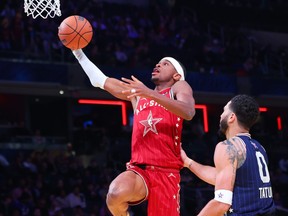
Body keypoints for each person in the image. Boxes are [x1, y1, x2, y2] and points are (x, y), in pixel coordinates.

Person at [71, 48, 196, 216]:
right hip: (140, 169)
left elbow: (188, 111)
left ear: (176, 76)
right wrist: (77, 51)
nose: (158, 64)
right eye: (158, 62)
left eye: (165, 64)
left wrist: (150, 93)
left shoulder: (179, 87)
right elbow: (99, 80)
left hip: (166, 173)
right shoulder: (138, 94)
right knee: (115, 194)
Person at [181, 94, 276, 216]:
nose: (221, 115)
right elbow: (221, 178)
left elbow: (222, 203)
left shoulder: (228, 146)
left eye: (224, 110)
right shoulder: (259, 147)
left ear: (231, 117)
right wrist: (187, 162)